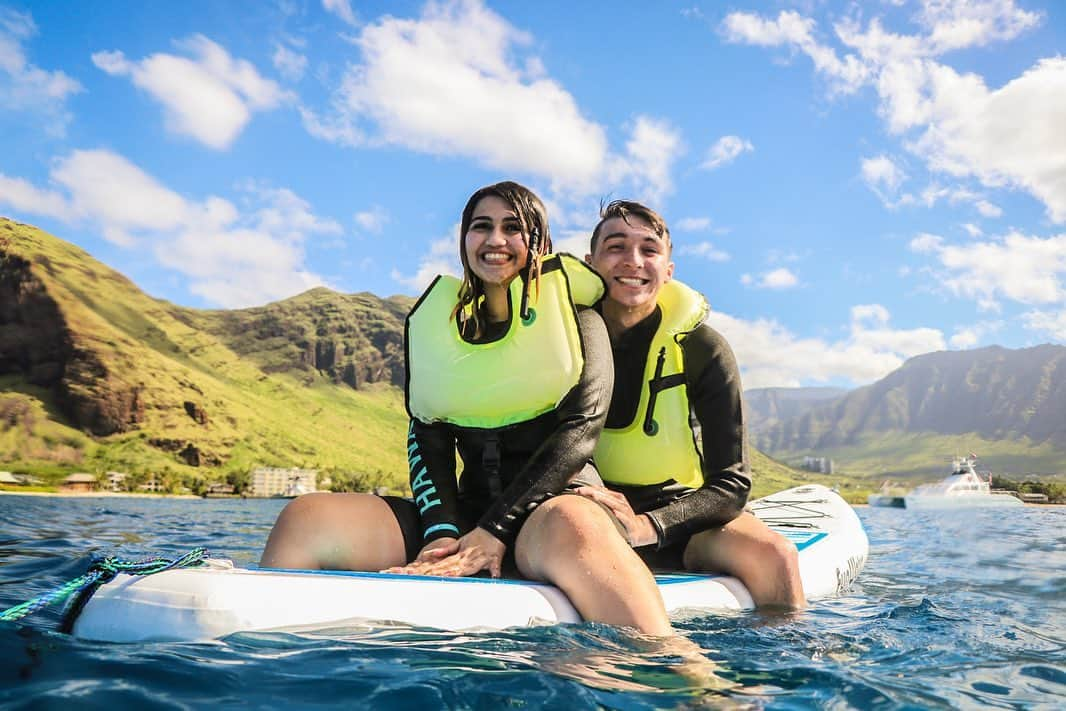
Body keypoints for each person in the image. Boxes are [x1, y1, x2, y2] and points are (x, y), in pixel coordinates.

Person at [259, 182, 675, 635]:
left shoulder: (579, 321)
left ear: (540, 244)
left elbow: (580, 433)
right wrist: (441, 533)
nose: (495, 240)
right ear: (464, 241)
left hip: (554, 511)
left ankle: (676, 666)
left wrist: (496, 531)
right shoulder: (444, 330)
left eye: (513, 228)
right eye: (482, 227)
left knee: (575, 522)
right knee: (307, 516)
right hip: (467, 513)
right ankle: (267, 657)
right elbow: (427, 436)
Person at [576, 199, 806, 610]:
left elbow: (731, 485)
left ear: (668, 271)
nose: (633, 261)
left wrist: (648, 526)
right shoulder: (562, 340)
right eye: (616, 247)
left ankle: (787, 668)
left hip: (678, 517)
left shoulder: (702, 348)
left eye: (649, 250)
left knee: (778, 556)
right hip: (584, 511)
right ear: (590, 262)